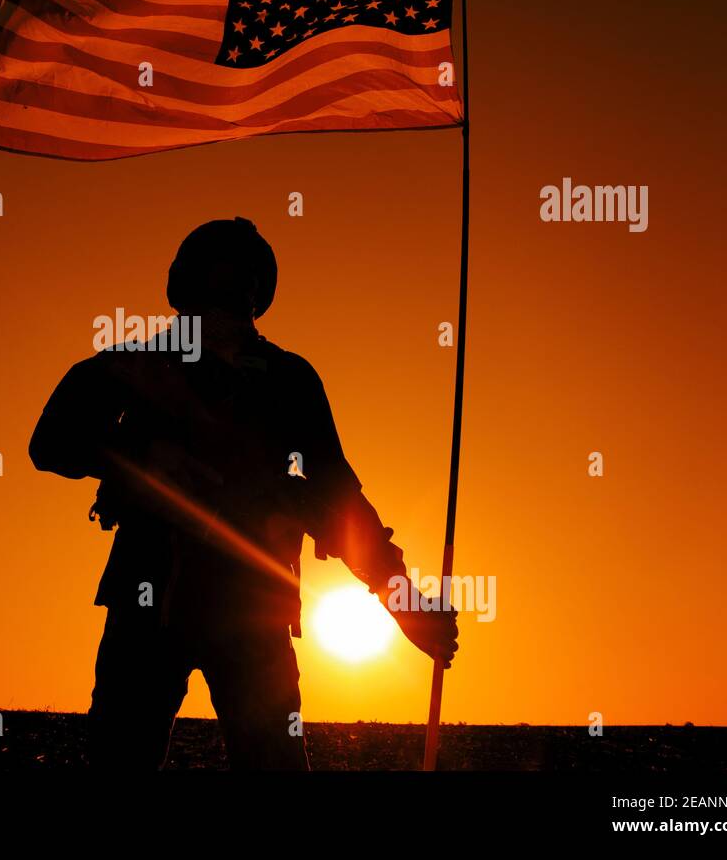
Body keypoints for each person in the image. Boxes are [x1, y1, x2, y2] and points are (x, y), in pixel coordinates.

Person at [29, 217, 457, 770]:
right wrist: (140, 461)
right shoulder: (134, 367)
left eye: (247, 284)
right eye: (220, 281)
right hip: (150, 602)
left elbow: (337, 496)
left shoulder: (289, 381)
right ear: (188, 289)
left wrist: (403, 600)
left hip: (254, 609)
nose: (236, 297)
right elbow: (51, 443)